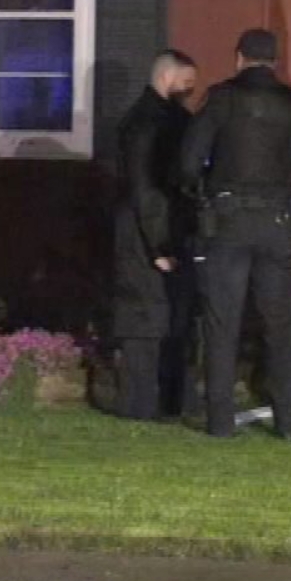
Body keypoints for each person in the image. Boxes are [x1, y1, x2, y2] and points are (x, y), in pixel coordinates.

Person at [179, 29, 291, 439]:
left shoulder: (221, 99)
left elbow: (189, 160)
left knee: (221, 323)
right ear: (274, 61)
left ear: (239, 57)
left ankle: (221, 421)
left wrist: (199, 193)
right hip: (278, 223)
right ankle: (289, 422)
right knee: (282, 326)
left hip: (227, 221)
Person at [112, 50, 199, 422]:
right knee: (143, 319)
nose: (191, 91)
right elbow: (145, 188)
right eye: (187, 84)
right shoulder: (147, 124)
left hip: (161, 228)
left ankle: (165, 403)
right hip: (147, 232)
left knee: (167, 317)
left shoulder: (164, 119)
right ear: (167, 78)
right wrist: (159, 244)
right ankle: (142, 406)